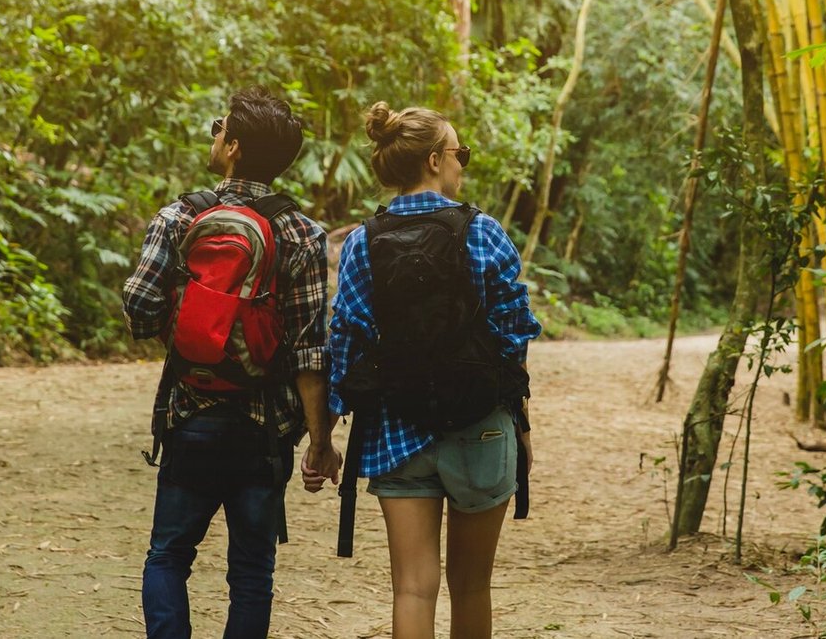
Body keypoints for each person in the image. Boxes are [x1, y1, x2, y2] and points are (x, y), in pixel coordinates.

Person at [310, 102, 540, 639]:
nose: (463, 164)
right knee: (472, 587)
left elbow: (345, 338)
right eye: (461, 154)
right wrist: (521, 424)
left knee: (412, 589)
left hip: (395, 429)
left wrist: (325, 433)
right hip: (481, 426)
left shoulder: (363, 241)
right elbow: (513, 337)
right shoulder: (483, 231)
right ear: (435, 160)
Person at [122, 86, 342, 639]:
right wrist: (320, 440)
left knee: (168, 556)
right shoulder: (302, 232)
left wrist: (191, 334)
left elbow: (141, 306)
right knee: (251, 574)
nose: (214, 133)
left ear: (235, 146)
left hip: (189, 415)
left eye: (220, 127)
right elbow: (311, 351)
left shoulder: (179, 216)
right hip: (263, 430)